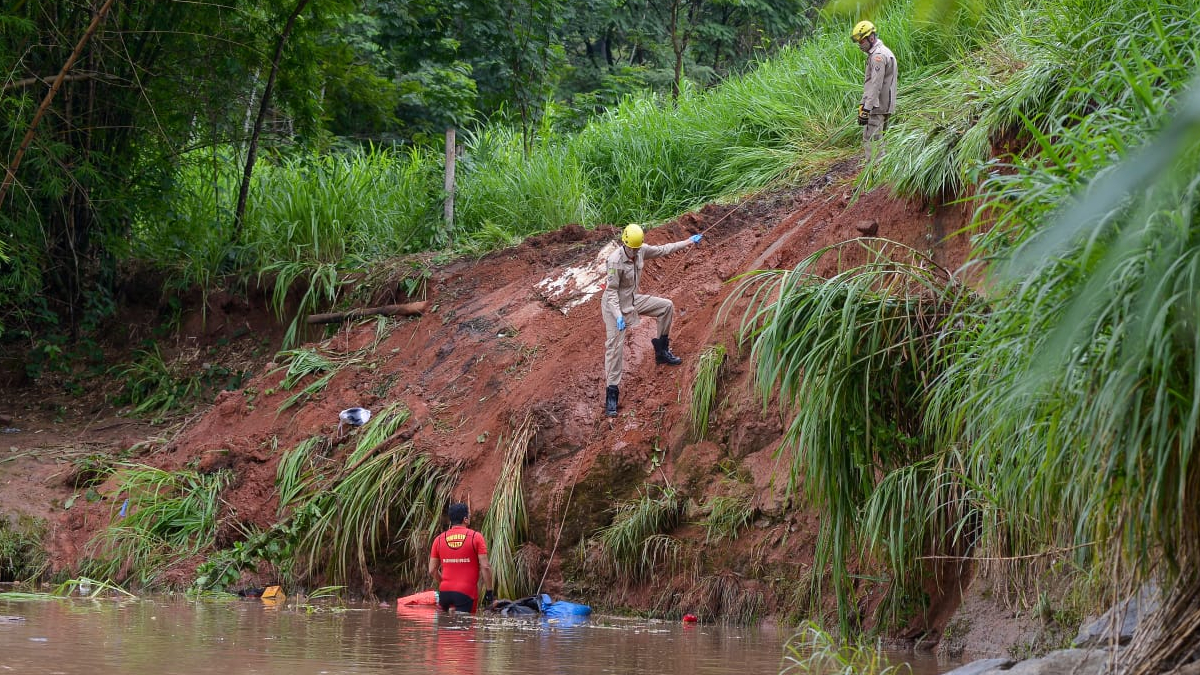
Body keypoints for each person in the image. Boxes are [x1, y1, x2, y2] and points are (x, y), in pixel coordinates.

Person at [601, 223, 702, 417]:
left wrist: (688, 242)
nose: (635, 252)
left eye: (638, 248)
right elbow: (611, 292)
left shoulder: (641, 251)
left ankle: (662, 351)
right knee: (615, 348)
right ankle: (611, 394)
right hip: (615, 307)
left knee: (666, 306)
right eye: (633, 249)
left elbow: (664, 250)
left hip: (632, 300)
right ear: (625, 245)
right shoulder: (614, 261)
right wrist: (618, 316)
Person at [428, 503, 494, 613]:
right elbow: (485, 567)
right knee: (465, 627)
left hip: (444, 593)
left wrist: (445, 583)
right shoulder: (475, 537)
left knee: (444, 628)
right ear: (465, 519)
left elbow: (432, 570)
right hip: (466, 593)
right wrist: (489, 591)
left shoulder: (438, 539)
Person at [852, 20, 897, 163]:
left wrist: (867, 109)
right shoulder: (882, 52)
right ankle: (882, 174)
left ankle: (875, 174)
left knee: (871, 139)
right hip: (884, 105)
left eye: (862, 41)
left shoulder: (878, 56)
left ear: (871, 37)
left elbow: (876, 86)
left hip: (877, 107)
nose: (860, 45)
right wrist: (862, 104)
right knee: (879, 139)